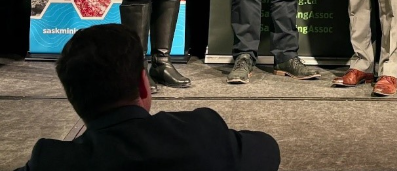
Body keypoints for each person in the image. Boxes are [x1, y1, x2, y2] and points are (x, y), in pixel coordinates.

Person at [14, 24, 280, 171]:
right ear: (144, 85)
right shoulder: (201, 133)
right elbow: (268, 149)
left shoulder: (50, 161)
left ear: (72, 97)